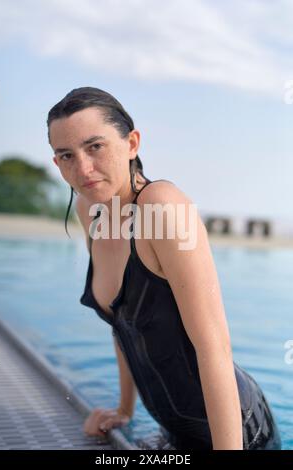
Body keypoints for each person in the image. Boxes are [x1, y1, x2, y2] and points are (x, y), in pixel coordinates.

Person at [48, 86, 282, 450]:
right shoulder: (90, 210)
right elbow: (122, 322)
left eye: (95, 147)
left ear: (132, 143)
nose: (83, 168)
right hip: (173, 435)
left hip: (235, 434)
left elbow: (213, 346)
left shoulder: (162, 207)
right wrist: (124, 410)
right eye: (66, 155)